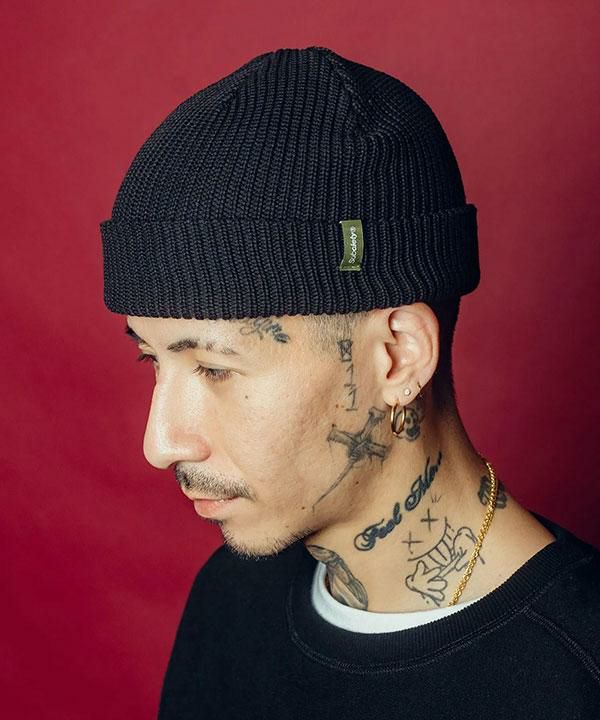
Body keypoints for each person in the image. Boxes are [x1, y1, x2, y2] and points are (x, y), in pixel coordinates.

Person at [99, 46, 600, 719]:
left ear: (398, 357)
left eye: (215, 368)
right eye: (152, 361)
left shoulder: (577, 675)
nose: (160, 444)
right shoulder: (232, 602)